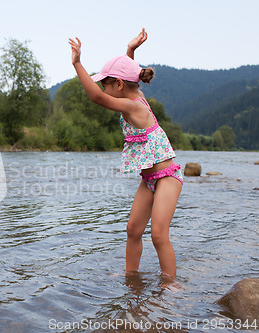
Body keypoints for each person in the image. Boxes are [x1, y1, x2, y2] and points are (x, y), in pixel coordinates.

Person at [69, 29, 182, 279]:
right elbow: (128, 74)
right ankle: (132, 277)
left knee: (159, 234)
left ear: (118, 84)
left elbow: (96, 97)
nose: (103, 88)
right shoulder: (134, 94)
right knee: (133, 229)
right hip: (150, 179)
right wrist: (130, 50)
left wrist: (77, 64)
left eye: (105, 83)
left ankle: (172, 285)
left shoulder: (133, 106)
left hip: (167, 177)